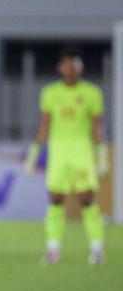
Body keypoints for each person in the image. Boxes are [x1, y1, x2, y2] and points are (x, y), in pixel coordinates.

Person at [25, 47, 108, 265]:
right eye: (67, 65)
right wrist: (33, 157)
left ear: (80, 67)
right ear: (60, 67)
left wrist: (101, 156)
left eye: (75, 64)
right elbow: (44, 126)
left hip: (81, 151)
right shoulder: (50, 93)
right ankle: (53, 251)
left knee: (87, 199)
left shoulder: (91, 93)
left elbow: (97, 127)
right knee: (55, 199)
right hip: (59, 153)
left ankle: (97, 250)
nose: (70, 69)